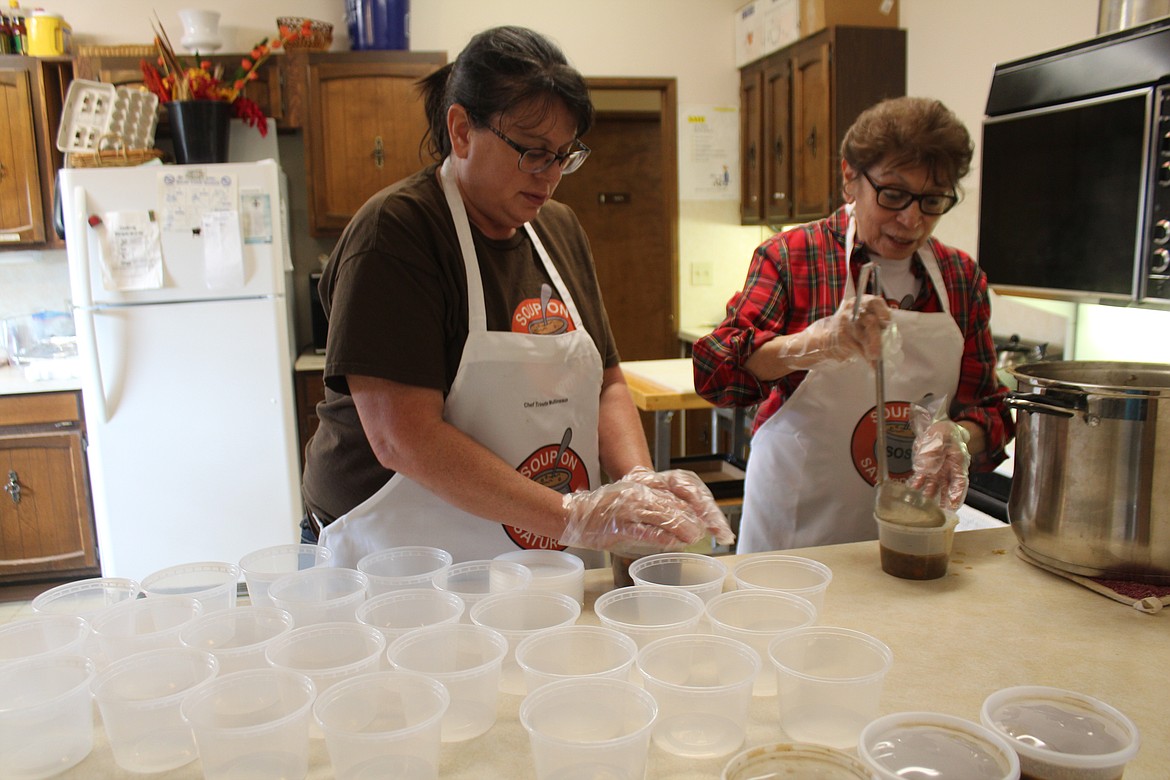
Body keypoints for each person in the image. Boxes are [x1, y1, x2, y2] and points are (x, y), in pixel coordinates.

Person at [301, 25, 732, 567]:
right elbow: (403, 439)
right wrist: (575, 518)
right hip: (396, 555)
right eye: (532, 153)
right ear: (461, 130)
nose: (550, 177)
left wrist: (638, 484)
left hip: (527, 549)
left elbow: (606, 382)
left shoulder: (559, 228)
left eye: (563, 156)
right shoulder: (396, 233)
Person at [693, 96, 1013, 553]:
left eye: (933, 200)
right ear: (849, 179)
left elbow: (992, 409)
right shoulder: (793, 256)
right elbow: (716, 372)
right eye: (894, 195)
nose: (912, 219)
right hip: (794, 534)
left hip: (909, 535)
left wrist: (959, 436)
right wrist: (812, 345)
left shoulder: (961, 279)